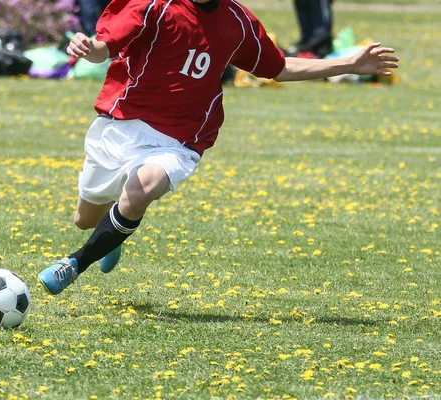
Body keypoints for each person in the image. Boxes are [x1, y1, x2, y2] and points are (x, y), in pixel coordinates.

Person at [38, 0, 399, 295]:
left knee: (141, 190)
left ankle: (74, 264)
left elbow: (279, 67)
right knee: (85, 219)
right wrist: (87, 47)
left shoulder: (237, 21)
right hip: (121, 128)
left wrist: (349, 64)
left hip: (180, 141)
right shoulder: (153, 6)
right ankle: (108, 234)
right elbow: (104, 49)